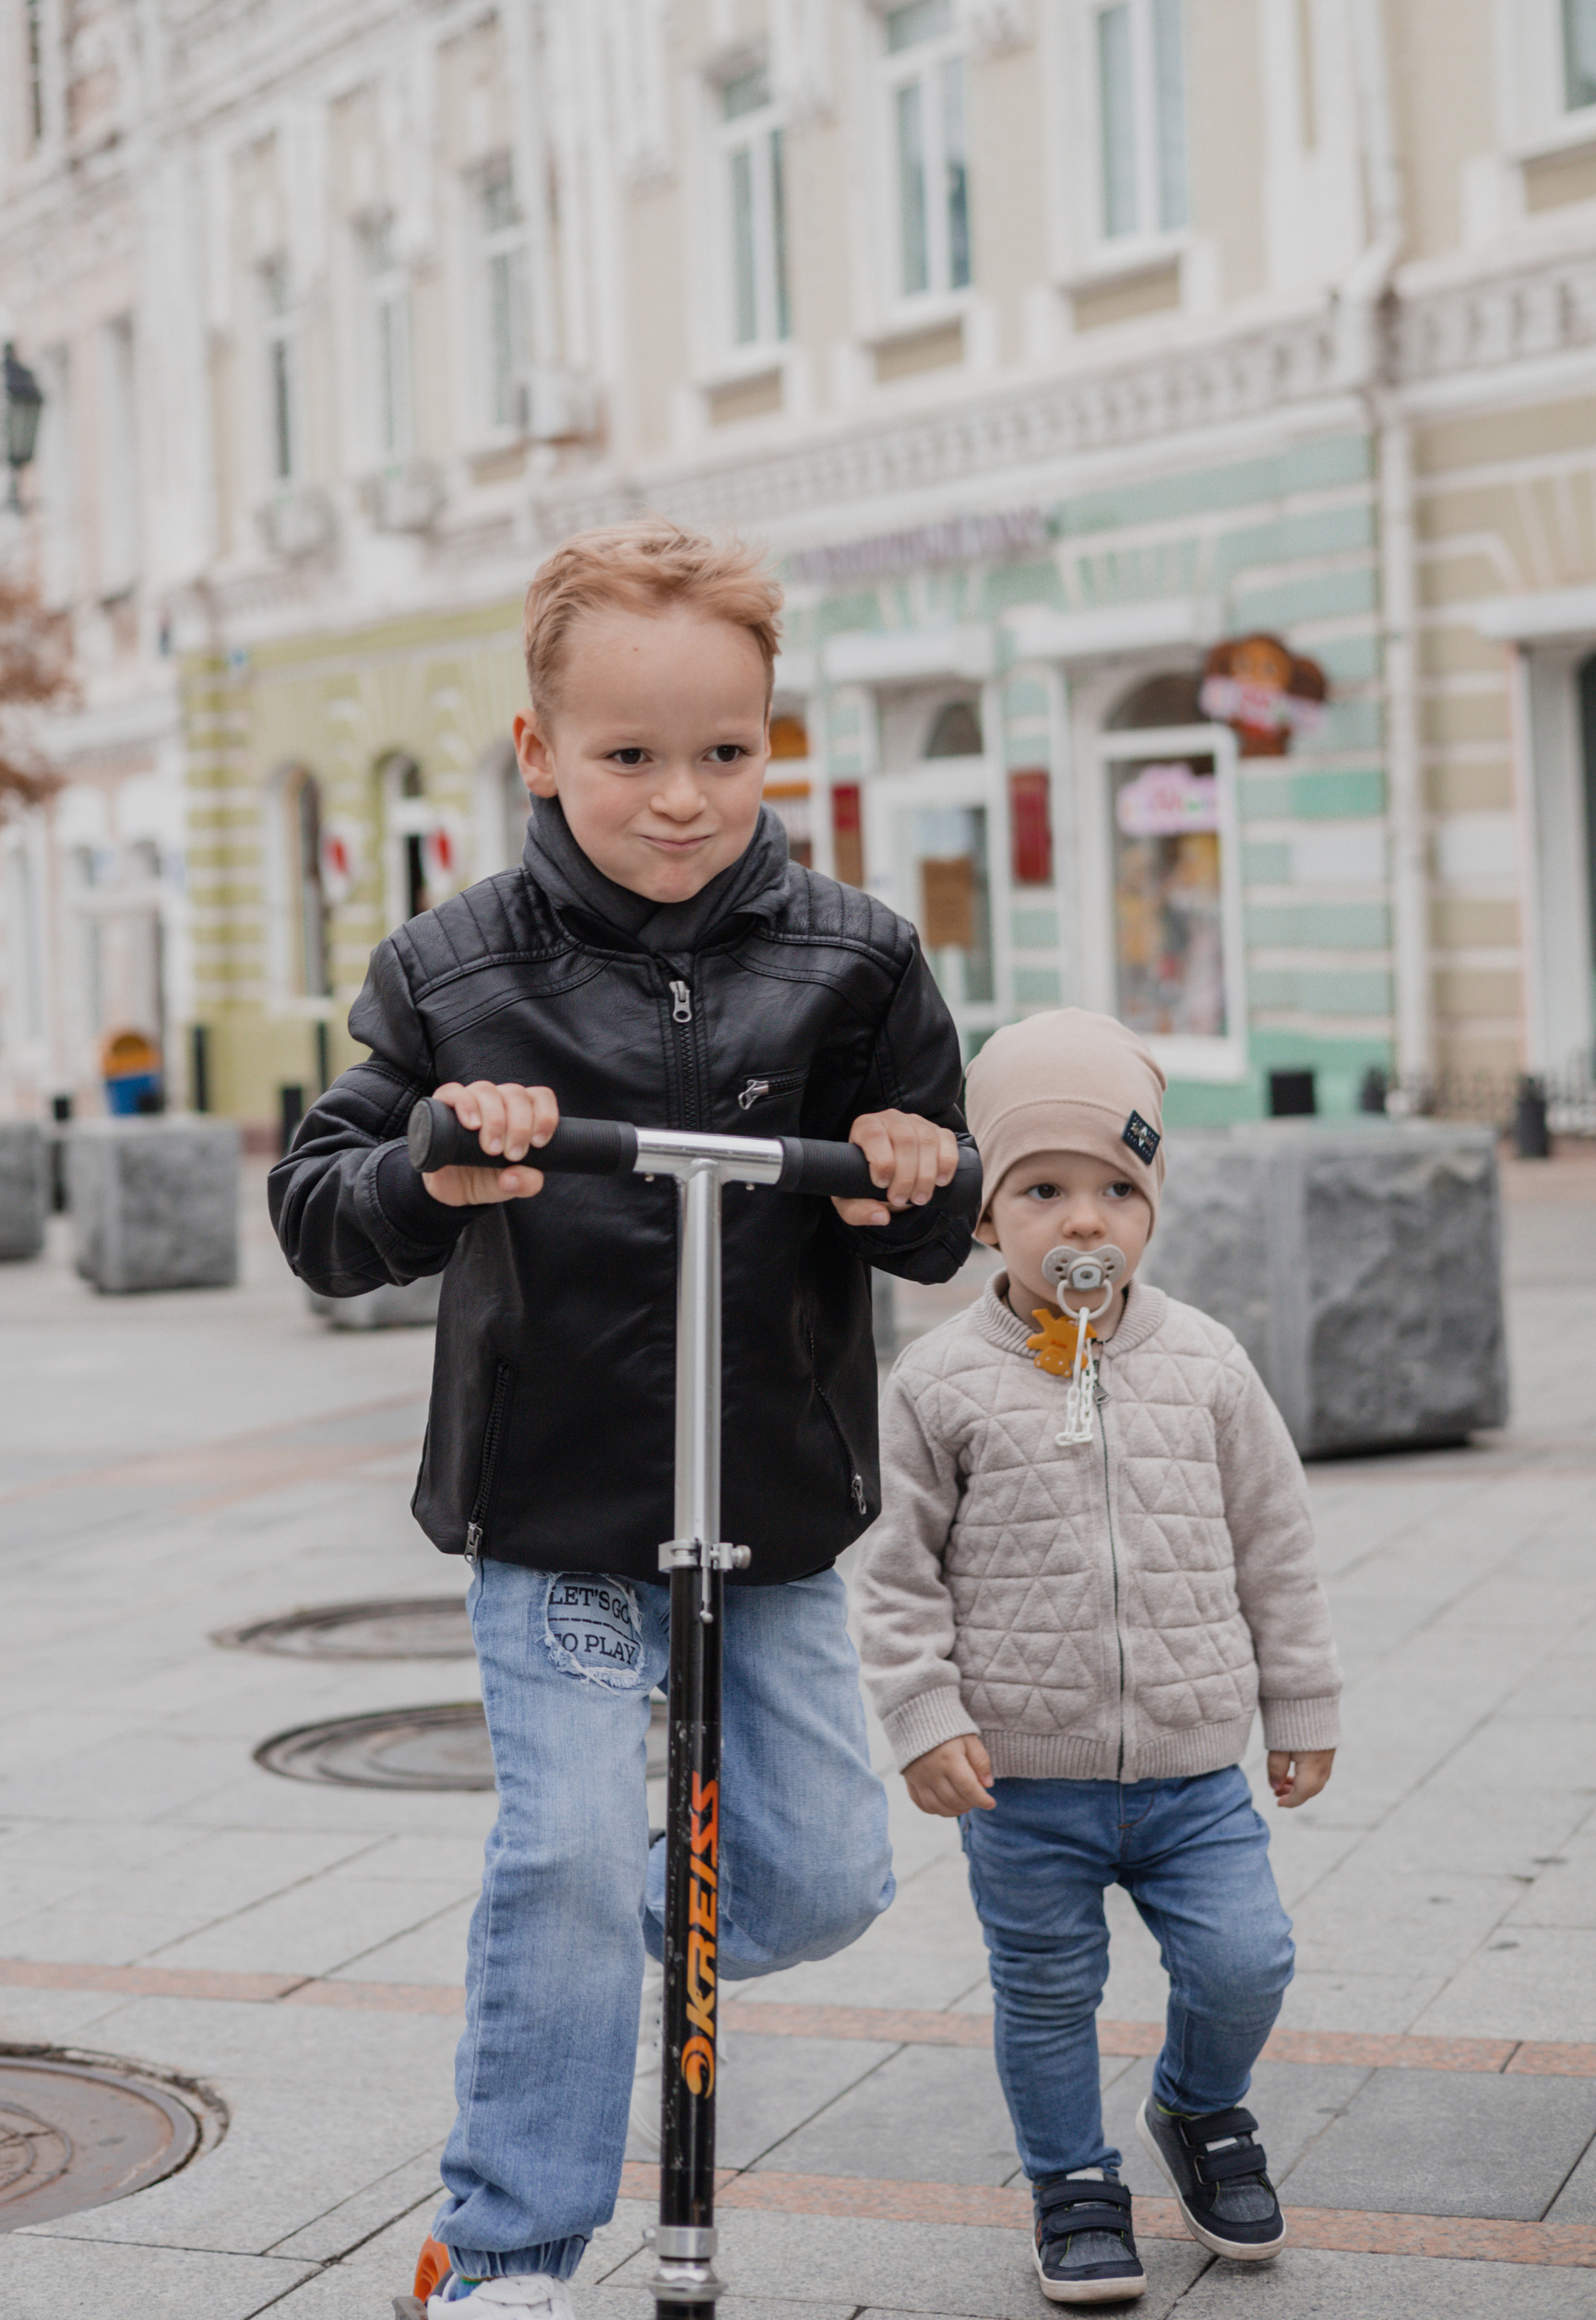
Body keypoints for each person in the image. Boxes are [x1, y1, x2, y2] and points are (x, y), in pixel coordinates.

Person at [271, 520, 979, 2320]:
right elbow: (318, 1199)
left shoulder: (856, 956)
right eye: (628, 756)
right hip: (560, 1496)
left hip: (774, 1499)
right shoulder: (449, 967)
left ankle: (591, 1955)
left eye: (724, 753)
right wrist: (435, 1158)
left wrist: (906, 1179)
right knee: (568, 1847)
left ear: (772, 741)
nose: (681, 798)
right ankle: (499, 2248)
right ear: (538, 749)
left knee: (817, 1881)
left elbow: (931, 1211)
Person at [855, 1010, 1342, 2306]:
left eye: (1119, 1189)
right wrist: (921, 1714)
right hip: (1024, 1785)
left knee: (1249, 1960)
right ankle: (1072, 2181)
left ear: (1155, 1202)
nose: (1085, 1221)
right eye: (1043, 1190)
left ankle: (1198, 2105)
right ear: (980, 1211)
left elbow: (1276, 1545)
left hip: (1194, 1773)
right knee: (1048, 1992)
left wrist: (1299, 1699)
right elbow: (894, 1572)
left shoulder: (1208, 1367)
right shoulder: (940, 1382)